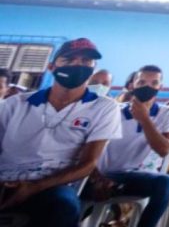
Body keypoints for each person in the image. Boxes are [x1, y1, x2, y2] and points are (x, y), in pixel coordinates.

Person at [0, 38, 121, 226]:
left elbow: (88, 164)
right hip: (6, 179)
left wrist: (33, 188)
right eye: (69, 60)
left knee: (63, 204)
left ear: (92, 69)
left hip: (53, 185)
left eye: (85, 61)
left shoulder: (103, 108)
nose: (77, 65)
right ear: (51, 67)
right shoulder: (14, 105)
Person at [97, 65, 169, 227]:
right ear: (132, 85)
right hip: (105, 174)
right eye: (141, 82)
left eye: (154, 83)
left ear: (160, 87)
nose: (148, 87)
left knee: (165, 182)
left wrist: (144, 119)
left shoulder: (166, 113)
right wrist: (97, 178)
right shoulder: (114, 111)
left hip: (136, 177)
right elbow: (92, 147)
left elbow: (164, 150)